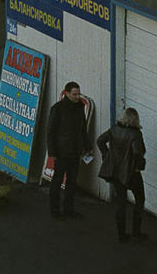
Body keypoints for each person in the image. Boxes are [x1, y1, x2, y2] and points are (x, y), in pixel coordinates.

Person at [97, 107, 148, 242]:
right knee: (140, 199)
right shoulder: (135, 134)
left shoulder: (114, 129)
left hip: (116, 171)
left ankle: (121, 234)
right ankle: (136, 232)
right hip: (131, 172)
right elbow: (138, 153)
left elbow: (100, 141)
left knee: (121, 201)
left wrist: (106, 155)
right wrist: (138, 167)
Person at [46, 80, 89, 219]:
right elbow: (50, 131)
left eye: (79, 94)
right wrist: (52, 152)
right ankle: (55, 210)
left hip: (75, 151)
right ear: (67, 93)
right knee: (57, 181)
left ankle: (69, 209)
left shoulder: (80, 107)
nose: (78, 97)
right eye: (75, 94)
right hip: (62, 151)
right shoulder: (57, 108)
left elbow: (83, 129)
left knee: (72, 181)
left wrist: (87, 147)